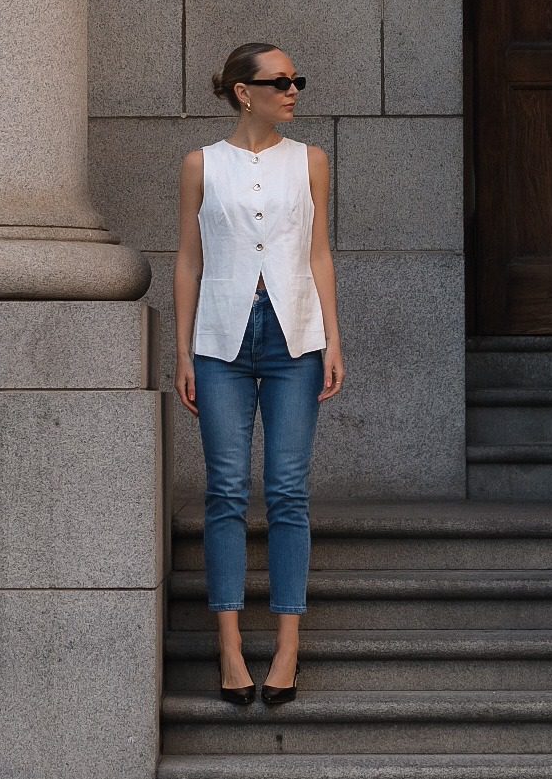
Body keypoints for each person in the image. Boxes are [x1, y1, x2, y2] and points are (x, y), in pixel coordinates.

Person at [173, 42, 345, 706]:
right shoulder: (200, 166)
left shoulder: (310, 162)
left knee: (286, 490)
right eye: (281, 81)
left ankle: (287, 645)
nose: (294, 90)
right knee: (223, 490)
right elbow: (188, 260)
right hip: (220, 337)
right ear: (244, 91)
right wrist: (183, 351)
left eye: (297, 79)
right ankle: (228, 646)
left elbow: (319, 252)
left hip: (293, 335)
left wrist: (332, 338)